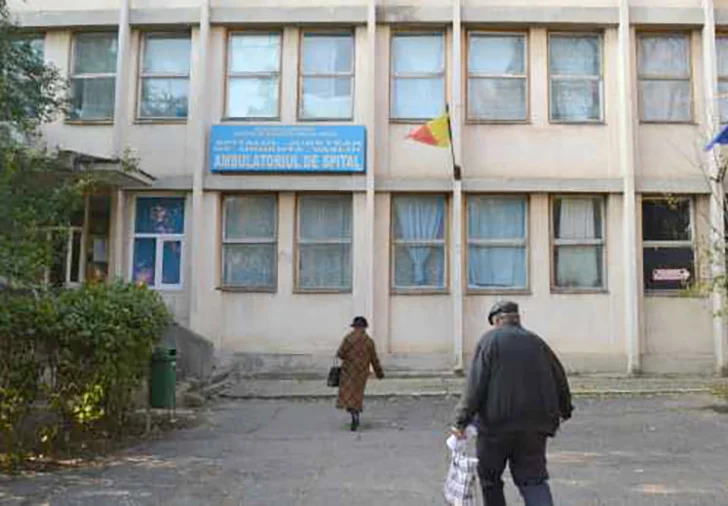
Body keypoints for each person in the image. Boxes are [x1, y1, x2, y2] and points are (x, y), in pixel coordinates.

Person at [452, 301, 573, 506]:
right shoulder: (537, 342)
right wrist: (565, 409)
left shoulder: (489, 341)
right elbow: (559, 377)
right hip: (535, 427)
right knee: (533, 480)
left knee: (490, 479)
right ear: (517, 319)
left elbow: (475, 385)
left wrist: (461, 421)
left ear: (497, 320)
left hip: (495, 427)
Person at [336, 316, 384, 431]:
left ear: (354, 327)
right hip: (362, 372)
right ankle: (356, 414)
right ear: (364, 327)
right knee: (357, 395)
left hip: (348, 371)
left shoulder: (348, 339)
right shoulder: (369, 341)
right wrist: (379, 373)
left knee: (348, 395)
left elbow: (340, 354)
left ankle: (353, 414)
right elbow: (374, 359)